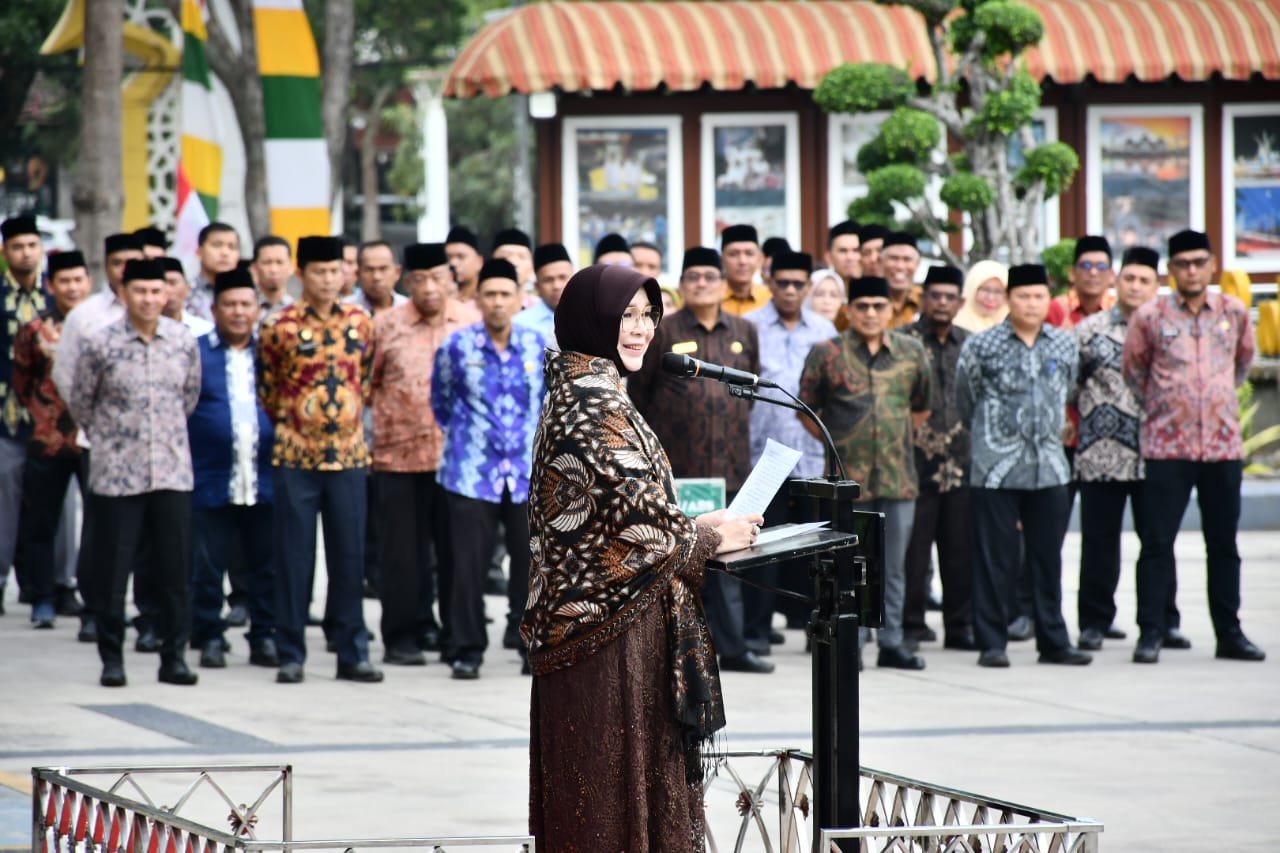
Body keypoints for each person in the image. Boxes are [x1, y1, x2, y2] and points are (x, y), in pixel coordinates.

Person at [524, 263, 761, 852]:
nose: (640, 329)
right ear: (591, 320)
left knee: (623, 798)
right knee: (609, 800)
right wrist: (705, 541)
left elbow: (625, 505)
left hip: (614, 625)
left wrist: (692, 524)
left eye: (648, 315)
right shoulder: (591, 401)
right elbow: (633, 518)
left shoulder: (591, 387)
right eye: (625, 316)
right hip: (605, 635)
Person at [1123, 230, 1265, 664]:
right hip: (1168, 448)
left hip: (1221, 447)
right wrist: (1172, 406)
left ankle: (1230, 632)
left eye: (1198, 262)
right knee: (1157, 542)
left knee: (1223, 543)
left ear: (1211, 265)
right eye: (1182, 263)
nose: (1190, 270)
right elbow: (1135, 372)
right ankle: (1152, 632)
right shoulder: (1150, 316)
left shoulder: (1235, 312)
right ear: (1171, 269)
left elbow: (1242, 366)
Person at [631, 246, 769, 674]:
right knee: (679, 558)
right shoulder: (664, 328)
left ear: (724, 282)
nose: (703, 283)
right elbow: (640, 394)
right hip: (680, 469)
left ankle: (734, 646)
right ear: (682, 283)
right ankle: (678, 649)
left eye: (711, 276)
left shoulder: (744, 328)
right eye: (693, 277)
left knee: (730, 556)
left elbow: (751, 391)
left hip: (729, 464)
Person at [67, 258, 202, 687]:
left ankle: (174, 656)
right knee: (112, 572)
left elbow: (189, 397)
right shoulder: (100, 343)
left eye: (155, 291)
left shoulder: (183, 341)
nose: (147, 299)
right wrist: (112, 438)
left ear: (168, 294)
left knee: (174, 570)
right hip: (116, 475)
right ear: (123, 294)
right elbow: (81, 400)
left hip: (171, 472)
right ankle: (112, 659)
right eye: (138, 291)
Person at [257, 235, 383, 684]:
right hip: (295, 456)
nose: (328, 280)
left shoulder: (362, 322)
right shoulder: (278, 325)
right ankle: (290, 651)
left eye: (335, 272)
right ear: (301, 273)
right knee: (294, 558)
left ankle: (352, 651)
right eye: (319, 272)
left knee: (349, 557)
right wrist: (298, 424)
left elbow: (365, 382)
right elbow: (267, 390)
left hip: (348, 456)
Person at [955, 263, 1090, 668]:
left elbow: (1069, 390)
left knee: (1048, 559)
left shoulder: (1064, 346)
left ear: (1048, 299)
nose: (1031, 304)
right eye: (1023, 296)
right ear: (1009, 300)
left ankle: (1053, 640)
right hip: (995, 470)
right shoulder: (982, 345)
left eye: (1038, 296)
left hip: (1050, 468)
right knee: (995, 559)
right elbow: (967, 399)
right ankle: (992, 642)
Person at [799, 275, 931, 670]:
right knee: (847, 564)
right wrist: (836, 445)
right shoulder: (826, 353)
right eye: (863, 306)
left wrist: (893, 438)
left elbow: (922, 407)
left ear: (890, 309)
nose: (871, 313)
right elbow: (806, 408)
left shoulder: (911, 352)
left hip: (897, 475)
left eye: (879, 306)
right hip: (847, 482)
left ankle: (892, 643)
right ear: (849, 310)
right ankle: (849, 643)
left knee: (893, 565)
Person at [431, 258, 546, 679]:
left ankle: (530, 647)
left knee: (532, 564)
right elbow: (441, 404)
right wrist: (471, 442)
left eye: (505, 295)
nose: (498, 302)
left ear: (519, 300)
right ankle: (466, 648)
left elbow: (548, 405)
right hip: (469, 472)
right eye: (490, 294)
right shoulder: (456, 347)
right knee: (467, 565)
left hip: (527, 473)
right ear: (477, 300)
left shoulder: (538, 347)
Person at [370, 243, 468, 665]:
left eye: (438, 278)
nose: (430, 287)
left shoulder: (469, 322)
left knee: (455, 552)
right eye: (420, 279)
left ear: (451, 277)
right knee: (401, 555)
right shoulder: (385, 325)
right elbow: (368, 384)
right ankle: (401, 636)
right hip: (398, 457)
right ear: (407, 282)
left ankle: (453, 635)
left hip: (457, 460)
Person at [51, 232, 145, 645]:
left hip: (154, 447)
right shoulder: (87, 317)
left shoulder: (160, 314)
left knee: (147, 534)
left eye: (133, 262)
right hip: (101, 443)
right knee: (101, 530)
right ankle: (96, 609)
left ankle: (147, 614)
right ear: (105, 267)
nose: (126, 271)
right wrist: (95, 425)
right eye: (118, 263)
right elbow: (67, 378)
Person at [1071, 246, 1162, 652]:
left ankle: (1162, 623)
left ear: (1156, 285)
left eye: (1145, 280)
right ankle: (1094, 623)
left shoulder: (1167, 327)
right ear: (1115, 281)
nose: (1135, 286)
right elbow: (1069, 388)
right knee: (1099, 543)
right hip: (1101, 453)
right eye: (1129, 278)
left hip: (1158, 454)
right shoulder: (1088, 331)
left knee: (1158, 542)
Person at [187, 266, 278, 669]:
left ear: (258, 308)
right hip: (211, 477)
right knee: (207, 565)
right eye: (230, 305)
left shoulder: (273, 352)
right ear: (214, 308)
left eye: (246, 304)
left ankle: (264, 637)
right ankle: (208, 635)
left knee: (267, 565)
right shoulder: (195, 353)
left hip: (265, 477)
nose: (239, 312)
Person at [744, 251, 836, 637]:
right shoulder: (749, 326)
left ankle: (809, 622)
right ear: (770, 282)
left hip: (812, 453)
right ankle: (758, 628)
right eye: (783, 282)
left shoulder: (824, 329)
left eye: (800, 283)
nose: (791, 290)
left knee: (812, 542)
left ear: (808, 287)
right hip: (763, 453)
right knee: (761, 542)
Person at [899, 265, 977, 651]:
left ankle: (960, 626)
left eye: (950, 296)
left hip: (962, 464)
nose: (942, 302)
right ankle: (911, 626)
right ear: (923, 297)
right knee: (914, 553)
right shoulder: (903, 342)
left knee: (960, 551)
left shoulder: (972, 343)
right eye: (935, 295)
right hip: (914, 466)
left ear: (961, 301)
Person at [12, 250, 89, 628]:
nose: (72, 288)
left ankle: (92, 599)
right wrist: (44, 414)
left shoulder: (100, 327)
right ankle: (42, 597)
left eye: (78, 280)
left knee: (100, 523)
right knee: (41, 522)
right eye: (65, 281)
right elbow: (23, 381)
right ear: (51, 285)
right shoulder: (35, 330)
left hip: (93, 441)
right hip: (48, 438)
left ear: (88, 283)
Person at [0, 215, 48, 608]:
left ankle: (51, 585)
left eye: (32, 245)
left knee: (55, 507)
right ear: (5, 252)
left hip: (53, 422)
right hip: (6, 417)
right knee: (6, 501)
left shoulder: (55, 297)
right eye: (17, 246)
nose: (26, 253)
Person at [1048, 235, 1117, 330]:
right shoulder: (1054, 309)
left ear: (1111, 275)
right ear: (1072, 273)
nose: (1093, 273)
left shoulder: (1118, 310)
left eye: (1101, 266)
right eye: (1086, 266)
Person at [513, 243, 572, 343]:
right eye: (548, 280)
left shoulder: (589, 318)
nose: (556, 286)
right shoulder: (519, 324)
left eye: (562, 277)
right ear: (537, 286)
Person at [186, 222, 240, 321]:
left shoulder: (248, 295)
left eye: (231, 247)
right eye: (217, 245)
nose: (225, 253)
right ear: (199, 251)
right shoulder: (185, 293)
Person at [719, 224, 770, 316]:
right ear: (721, 260)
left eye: (749, 254)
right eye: (733, 254)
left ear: (760, 259)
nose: (742, 261)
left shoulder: (770, 299)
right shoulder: (708, 299)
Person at [348, 241, 407, 316]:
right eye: (369, 270)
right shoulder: (343, 311)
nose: (376, 277)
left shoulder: (409, 310)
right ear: (358, 274)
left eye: (383, 269)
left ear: (397, 272)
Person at [160, 257, 214, 337]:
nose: (168, 290)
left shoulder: (204, 330)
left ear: (187, 289)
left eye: (173, 283)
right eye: (162, 284)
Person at [250, 235, 295, 328]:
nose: (274, 270)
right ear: (254, 268)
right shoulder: (245, 309)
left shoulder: (297, 308)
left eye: (279, 262)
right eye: (267, 262)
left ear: (291, 267)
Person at [881, 232, 923, 329]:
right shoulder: (867, 302)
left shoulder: (926, 301)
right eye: (893, 258)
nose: (900, 266)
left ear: (917, 264)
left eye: (907, 259)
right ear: (881, 261)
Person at [952, 260, 1008, 332]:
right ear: (971, 289)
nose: (991, 298)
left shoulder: (1014, 327)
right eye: (985, 290)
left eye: (998, 292)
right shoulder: (956, 328)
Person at [445, 226, 485, 303]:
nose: (453, 263)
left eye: (461, 257)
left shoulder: (486, 300)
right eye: (448, 258)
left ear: (479, 262)